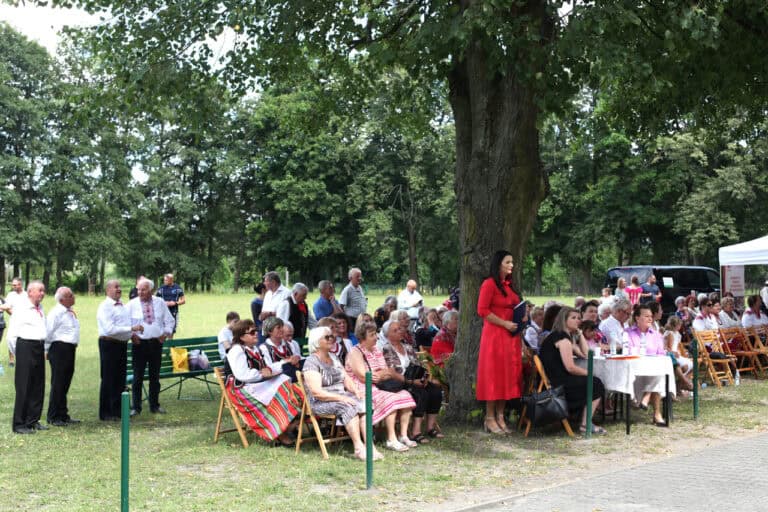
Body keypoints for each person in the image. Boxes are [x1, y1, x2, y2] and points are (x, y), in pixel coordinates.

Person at [302, 326, 382, 461]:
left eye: (332, 336)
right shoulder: (311, 362)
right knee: (347, 406)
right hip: (321, 401)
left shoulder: (334, 357)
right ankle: (358, 448)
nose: (331, 339)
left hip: (340, 396)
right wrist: (342, 398)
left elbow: (346, 379)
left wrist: (356, 392)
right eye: (327, 337)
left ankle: (370, 447)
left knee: (364, 403)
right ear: (316, 341)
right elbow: (316, 392)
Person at [225, 319, 300, 446]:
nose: (256, 334)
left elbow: (267, 367)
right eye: (252, 332)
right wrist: (262, 374)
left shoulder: (254, 349)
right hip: (240, 389)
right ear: (242, 337)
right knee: (280, 388)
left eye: (256, 331)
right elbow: (243, 375)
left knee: (285, 380)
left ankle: (291, 420)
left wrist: (283, 364)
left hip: (255, 384)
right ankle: (283, 429)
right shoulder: (237, 351)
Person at [345, 320, 416, 452]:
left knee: (406, 395)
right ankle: (391, 439)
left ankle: (403, 435)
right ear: (363, 337)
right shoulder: (355, 352)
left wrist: (379, 374)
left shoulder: (376, 350)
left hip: (380, 386)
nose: (376, 337)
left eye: (376, 334)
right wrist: (378, 374)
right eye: (372, 335)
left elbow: (387, 372)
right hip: (362, 389)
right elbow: (363, 376)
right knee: (391, 399)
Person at [476, 250, 525, 435]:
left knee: (507, 375)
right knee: (494, 376)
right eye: (508, 262)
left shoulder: (510, 286)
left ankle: (501, 415)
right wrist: (504, 323)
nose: (512, 265)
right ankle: (489, 417)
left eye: (512, 262)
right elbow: (482, 310)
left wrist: (522, 317)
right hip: (495, 336)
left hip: (510, 337)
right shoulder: (489, 284)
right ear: (499, 264)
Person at [538, 307, 606, 434]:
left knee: (593, 381)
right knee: (596, 383)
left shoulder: (564, 337)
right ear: (564, 320)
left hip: (555, 380)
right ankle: (585, 424)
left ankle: (582, 421)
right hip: (557, 384)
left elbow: (586, 354)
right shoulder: (562, 339)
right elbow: (570, 367)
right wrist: (590, 373)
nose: (577, 321)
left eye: (579, 318)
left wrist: (580, 334)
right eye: (573, 318)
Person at [381, 319, 443, 444]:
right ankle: (416, 431)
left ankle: (430, 427)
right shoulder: (386, 348)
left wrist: (424, 379)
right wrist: (411, 382)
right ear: (388, 335)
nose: (400, 331)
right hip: (399, 382)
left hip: (415, 379)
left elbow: (419, 365)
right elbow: (392, 372)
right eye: (396, 330)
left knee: (435, 390)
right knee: (421, 393)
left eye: (400, 328)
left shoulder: (408, 347)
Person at [97, 280, 143, 421]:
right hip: (109, 344)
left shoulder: (122, 305)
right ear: (108, 290)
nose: (119, 289)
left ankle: (118, 410)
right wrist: (131, 329)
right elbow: (110, 329)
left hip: (121, 345)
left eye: (120, 287)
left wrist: (131, 335)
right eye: (116, 287)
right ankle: (106, 412)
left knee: (119, 379)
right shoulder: (105, 307)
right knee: (109, 378)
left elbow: (124, 324)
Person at [128, 277, 175, 416]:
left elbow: (170, 321)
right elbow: (124, 323)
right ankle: (136, 407)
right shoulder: (131, 304)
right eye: (138, 289)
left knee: (155, 377)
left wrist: (165, 334)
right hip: (139, 344)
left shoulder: (160, 303)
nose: (140, 292)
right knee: (137, 378)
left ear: (151, 290)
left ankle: (154, 405)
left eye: (144, 289)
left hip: (155, 344)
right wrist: (132, 335)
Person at [8, 281, 47, 434]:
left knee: (38, 385)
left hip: (38, 346)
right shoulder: (21, 308)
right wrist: (20, 354)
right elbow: (12, 335)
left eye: (43, 291)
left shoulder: (40, 308)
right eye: (40, 290)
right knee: (24, 386)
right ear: (30, 292)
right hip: (25, 346)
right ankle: (19, 424)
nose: (42, 293)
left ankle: (33, 419)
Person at [624, 304, 668, 426]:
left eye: (651, 316)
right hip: (635, 369)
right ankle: (656, 414)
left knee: (659, 372)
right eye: (646, 316)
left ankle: (647, 397)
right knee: (660, 376)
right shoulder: (628, 333)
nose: (650, 319)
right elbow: (628, 351)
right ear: (637, 318)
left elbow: (661, 353)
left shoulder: (656, 334)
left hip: (652, 369)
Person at [45, 287, 81, 426]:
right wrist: (46, 350)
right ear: (62, 299)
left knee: (65, 382)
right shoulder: (56, 313)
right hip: (59, 348)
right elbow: (48, 332)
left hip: (69, 348)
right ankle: (53, 416)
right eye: (70, 295)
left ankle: (63, 414)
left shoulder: (69, 312)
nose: (73, 297)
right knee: (58, 383)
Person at [259, 317, 302, 382]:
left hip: (293, 379)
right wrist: (285, 362)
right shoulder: (264, 348)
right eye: (278, 327)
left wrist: (297, 359)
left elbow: (297, 361)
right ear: (270, 331)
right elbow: (268, 369)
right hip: (274, 382)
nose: (282, 329)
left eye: (282, 327)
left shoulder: (289, 345)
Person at [1, 277, 28, 367]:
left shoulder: (27, 295)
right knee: (10, 339)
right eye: (13, 285)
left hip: (25, 322)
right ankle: (12, 360)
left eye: (15, 285)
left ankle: (22, 358)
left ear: (20, 285)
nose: (13, 286)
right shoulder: (11, 295)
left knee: (23, 340)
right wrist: (13, 314)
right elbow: (7, 306)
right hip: (14, 320)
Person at [663, 316, 693, 393]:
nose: (680, 327)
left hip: (676, 353)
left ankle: (679, 385)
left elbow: (677, 346)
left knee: (693, 365)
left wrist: (681, 352)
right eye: (679, 325)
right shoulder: (670, 333)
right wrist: (674, 352)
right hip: (670, 354)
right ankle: (683, 384)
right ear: (675, 325)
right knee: (685, 367)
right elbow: (667, 347)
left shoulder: (677, 334)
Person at [339, 267, 367, 331]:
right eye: (357, 276)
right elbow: (341, 306)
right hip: (352, 320)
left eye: (360, 276)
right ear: (350, 278)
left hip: (360, 319)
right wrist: (346, 320)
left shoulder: (359, 287)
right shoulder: (347, 290)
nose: (360, 278)